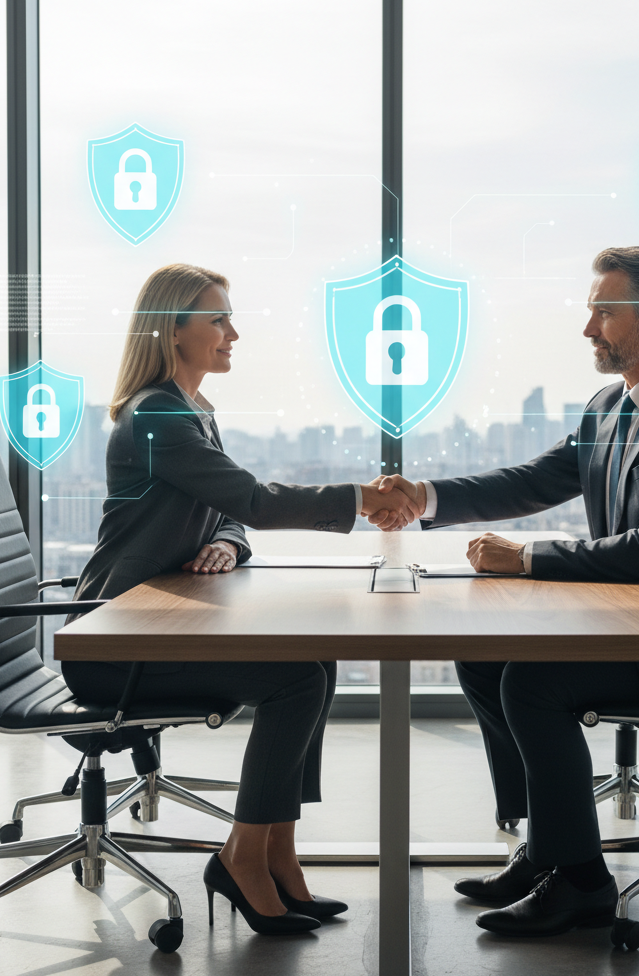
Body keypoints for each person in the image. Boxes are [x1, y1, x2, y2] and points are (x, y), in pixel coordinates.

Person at [368, 246, 639, 937]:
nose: (588, 328)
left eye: (604, 311)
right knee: (484, 658)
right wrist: (425, 496)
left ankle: (583, 883)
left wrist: (526, 557)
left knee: (532, 682)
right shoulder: (609, 406)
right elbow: (531, 481)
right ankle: (546, 847)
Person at [65, 263, 416, 935]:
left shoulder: (192, 409)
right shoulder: (157, 415)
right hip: (115, 641)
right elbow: (251, 498)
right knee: (293, 682)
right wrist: (362, 498)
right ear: (173, 331)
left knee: (314, 662)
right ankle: (242, 860)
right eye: (217, 319)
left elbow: (228, 513)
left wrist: (230, 546)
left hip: (152, 625)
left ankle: (277, 853)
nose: (233, 333)